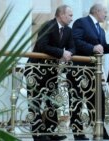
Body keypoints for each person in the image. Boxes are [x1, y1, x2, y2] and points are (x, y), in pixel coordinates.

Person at [71, 3, 109, 140]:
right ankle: (78, 134)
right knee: (77, 102)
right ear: (97, 11)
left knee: (99, 101)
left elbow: (102, 48)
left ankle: (100, 131)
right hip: (79, 69)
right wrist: (92, 48)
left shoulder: (101, 30)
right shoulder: (82, 22)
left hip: (93, 71)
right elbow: (76, 41)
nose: (106, 15)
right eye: (105, 12)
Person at [25, 5, 75, 141]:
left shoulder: (69, 31)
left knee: (52, 103)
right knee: (35, 103)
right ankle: (38, 136)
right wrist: (61, 53)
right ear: (61, 15)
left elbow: (72, 47)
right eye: (70, 15)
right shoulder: (47, 25)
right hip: (36, 69)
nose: (72, 18)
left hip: (52, 71)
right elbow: (42, 45)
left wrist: (69, 53)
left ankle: (50, 132)